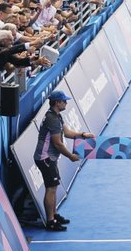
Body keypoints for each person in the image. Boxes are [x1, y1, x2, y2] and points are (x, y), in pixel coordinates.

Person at [33, 90, 92, 231]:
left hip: (50, 158)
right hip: (45, 158)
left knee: (54, 186)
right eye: (64, 101)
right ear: (57, 102)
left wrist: (83, 135)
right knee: (51, 188)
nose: (66, 103)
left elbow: (67, 133)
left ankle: (54, 214)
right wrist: (70, 156)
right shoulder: (52, 119)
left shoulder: (57, 116)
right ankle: (50, 222)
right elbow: (58, 143)